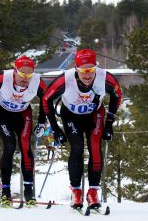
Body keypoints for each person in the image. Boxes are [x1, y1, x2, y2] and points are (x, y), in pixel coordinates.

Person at [43, 49, 123, 209]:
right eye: (83, 71)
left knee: (95, 147)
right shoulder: (65, 80)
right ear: (76, 69)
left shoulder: (104, 78)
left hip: (94, 115)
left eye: (91, 70)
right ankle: (76, 191)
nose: (88, 75)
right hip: (71, 117)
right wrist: (55, 128)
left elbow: (117, 95)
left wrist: (109, 124)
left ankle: (93, 192)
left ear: (96, 68)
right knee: (77, 148)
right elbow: (46, 99)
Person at [0, 56, 47, 207]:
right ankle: (6, 194)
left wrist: (42, 121)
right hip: (3, 114)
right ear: (15, 71)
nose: (25, 78)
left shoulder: (37, 82)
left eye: (29, 74)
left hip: (23, 114)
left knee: (25, 147)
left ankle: (29, 194)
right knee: (9, 146)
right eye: (22, 74)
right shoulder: (4, 79)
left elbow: (46, 98)